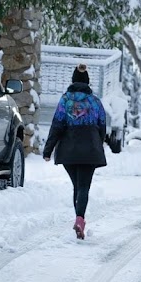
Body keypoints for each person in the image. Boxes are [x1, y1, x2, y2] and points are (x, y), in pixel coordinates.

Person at [42, 63, 107, 240]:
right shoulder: (95, 102)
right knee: (84, 187)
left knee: (76, 187)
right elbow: (102, 126)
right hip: (90, 150)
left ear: (72, 81)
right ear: (87, 82)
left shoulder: (65, 100)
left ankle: (78, 219)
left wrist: (48, 150)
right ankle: (80, 219)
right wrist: (97, 144)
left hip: (68, 150)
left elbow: (57, 125)